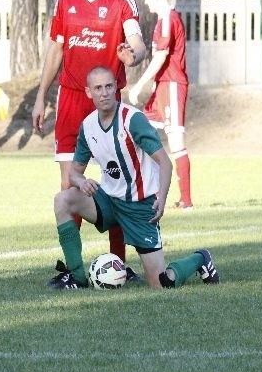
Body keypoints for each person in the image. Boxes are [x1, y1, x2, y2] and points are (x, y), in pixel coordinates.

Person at [31, 0, 147, 281]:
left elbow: (137, 42)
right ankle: (75, 271)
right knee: (70, 186)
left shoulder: (120, 0)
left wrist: (133, 55)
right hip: (70, 99)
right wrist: (41, 95)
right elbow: (56, 50)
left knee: (116, 183)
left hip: (106, 103)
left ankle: (117, 265)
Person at [50, 66, 219, 290]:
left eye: (109, 86)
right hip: (108, 200)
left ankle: (200, 259)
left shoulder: (132, 120)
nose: (104, 93)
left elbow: (165, 163)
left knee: (161, 284)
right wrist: (81, 182)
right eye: (98, 88)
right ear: (88, 92)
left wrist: (162, 198)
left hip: (141, 207)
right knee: (63, 199)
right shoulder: (88, 126)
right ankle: (78, 277)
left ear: (117, 88)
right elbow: (74, 171)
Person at [128, 0, 193, 210]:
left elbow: (161, 58)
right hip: (162, 86)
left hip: (173, 86)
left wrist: (139, 85)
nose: (146, 3)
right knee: (141, 133)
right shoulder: (162, 21)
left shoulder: (168, 20)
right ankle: (150, 192)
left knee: (176, 142)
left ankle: (186, 200)